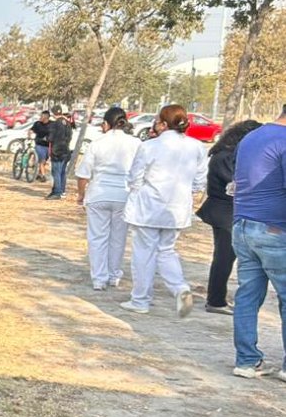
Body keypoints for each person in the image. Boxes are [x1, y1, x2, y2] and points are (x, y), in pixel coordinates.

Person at [119, 104, 207, 317]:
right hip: (177, 209)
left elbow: (135, 177)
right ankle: (180, 288)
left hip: (148, 207)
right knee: (166, 251)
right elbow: (199, 180)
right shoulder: (196, 146)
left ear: (164, 124)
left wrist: (139, 192)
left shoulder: (150, 146)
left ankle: (140, 299)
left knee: (144, 254)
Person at [230, 105, 286, 381]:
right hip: (275, 230)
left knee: (248, 296)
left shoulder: (251, 137)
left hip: (242, 226)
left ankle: (246, 361)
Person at [198, 120, 262, 315]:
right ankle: (216, 300)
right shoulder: (226, 157)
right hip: (224, 212)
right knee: (224, 258)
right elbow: (239, 183)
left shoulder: (226, 154)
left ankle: (216, 298)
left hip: (225, 211)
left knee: (224, 257)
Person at [75, 106, 141, 290]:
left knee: (97, 238)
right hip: (124, 196)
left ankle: (99, 279)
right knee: (118, 238)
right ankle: (113, 276)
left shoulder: (97, 143)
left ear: (106, 123)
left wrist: (81, 195)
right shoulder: (135, 144)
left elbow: (83, 174)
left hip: (98, 194)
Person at [46, 108, 73, 199]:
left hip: (57, 151)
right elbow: (70, 137)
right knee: (62, 172)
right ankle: (62, 191)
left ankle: (57, 192)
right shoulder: (68, 123)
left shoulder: (55, 124)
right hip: (66, 150)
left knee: (56, 172)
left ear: (53, 114)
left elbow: (50, 138)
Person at [31, 110, 52, 181]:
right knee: (42, 160)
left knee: (44, 161)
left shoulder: (52, 124)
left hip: (48, 145)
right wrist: (29, 135)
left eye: (42, 116)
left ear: (46, 117)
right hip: (39, 145)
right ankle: (43, 175)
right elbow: (31, 130)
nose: (40, 117)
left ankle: (39, 174)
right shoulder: (37, 124)